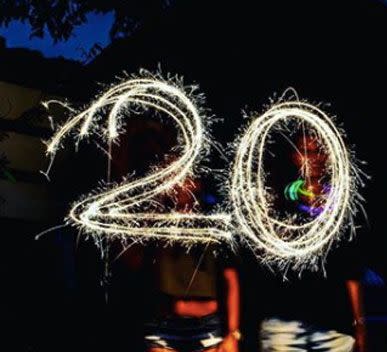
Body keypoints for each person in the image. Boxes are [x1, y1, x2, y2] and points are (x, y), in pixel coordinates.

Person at [114, 120, 241, 352]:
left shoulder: (213, 226)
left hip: (207, 326)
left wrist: (233, 332)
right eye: (172, 178)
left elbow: (231, 279)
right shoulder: (154, 223)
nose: (180, 184)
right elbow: (131, 261)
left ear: (197, 183)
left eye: (185, 177)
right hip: (164, 326)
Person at [258, 135, 366, 352]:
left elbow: (351, 271)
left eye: (319, 151)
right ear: (295, 157)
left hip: (334, 328)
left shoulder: (342, 208)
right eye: (306, 151)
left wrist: (359, 324)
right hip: (285, 326)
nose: (313, 158)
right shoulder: (277, 206)